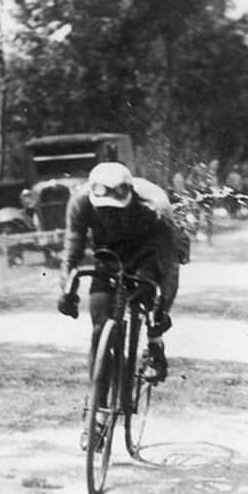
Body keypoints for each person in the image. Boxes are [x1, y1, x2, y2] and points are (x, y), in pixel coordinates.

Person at [58, 161, 179, 392]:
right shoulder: (80, 202)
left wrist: (162, 309)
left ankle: (155, 348)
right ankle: (98, 411)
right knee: (98, 328)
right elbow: (71, 254)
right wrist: (67, 291)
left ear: (130, 198)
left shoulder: (155, 206)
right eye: (103, 210)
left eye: (117, 209)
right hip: (108, 256)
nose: (110, 215)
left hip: (146, 254)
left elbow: (170, 267)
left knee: (151, 303)